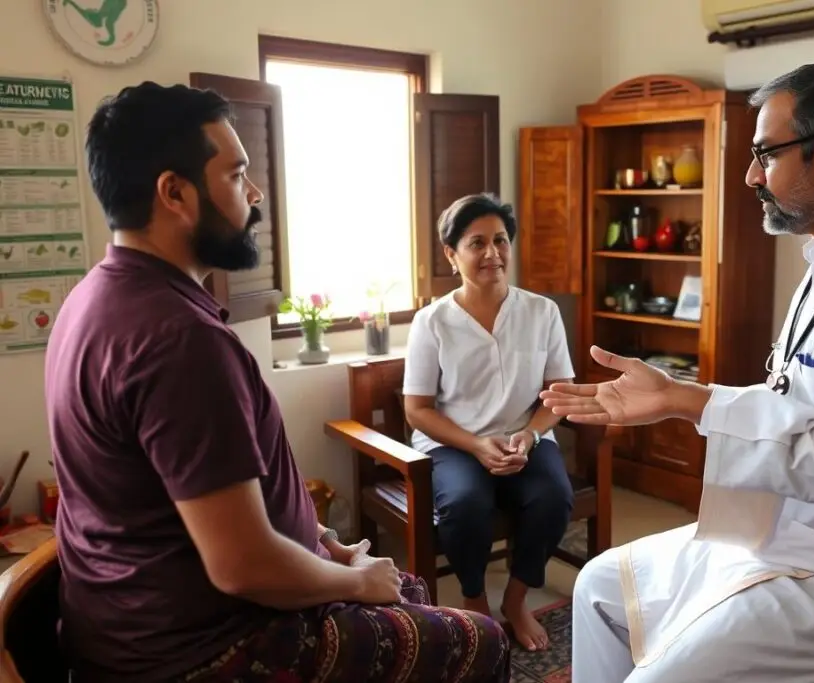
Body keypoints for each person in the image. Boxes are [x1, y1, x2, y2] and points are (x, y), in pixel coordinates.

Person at [44, 82, 510, 683]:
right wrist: (348, 580)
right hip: (207, 648)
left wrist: (319, 540)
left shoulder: (95, 297)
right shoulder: (178, 340)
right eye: (237, 176)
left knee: (410, 585)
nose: (256, 194)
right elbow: (242, 567)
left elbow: (203, 500)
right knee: (482, 642)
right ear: (175, 193)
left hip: (137, 621)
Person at [543, 62, 814, 683]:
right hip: (783, 538)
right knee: (596, 585)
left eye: (765, 154)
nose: (751, 174)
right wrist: (676, 395)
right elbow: (794, 397)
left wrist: (692, 403)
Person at [403, 193, 576, 651]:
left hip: (525, 437)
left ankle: (516, 600)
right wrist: (477, 445)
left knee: (554, 498)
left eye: (500, 240)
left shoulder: (542, 312)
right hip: (454, 443)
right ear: (451, 254)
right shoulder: (432, 322)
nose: (491, 254)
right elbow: (417, 409)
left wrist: (530, 433)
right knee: (464, 506)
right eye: (476, 243)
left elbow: (559, 394)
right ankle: (475, 601)